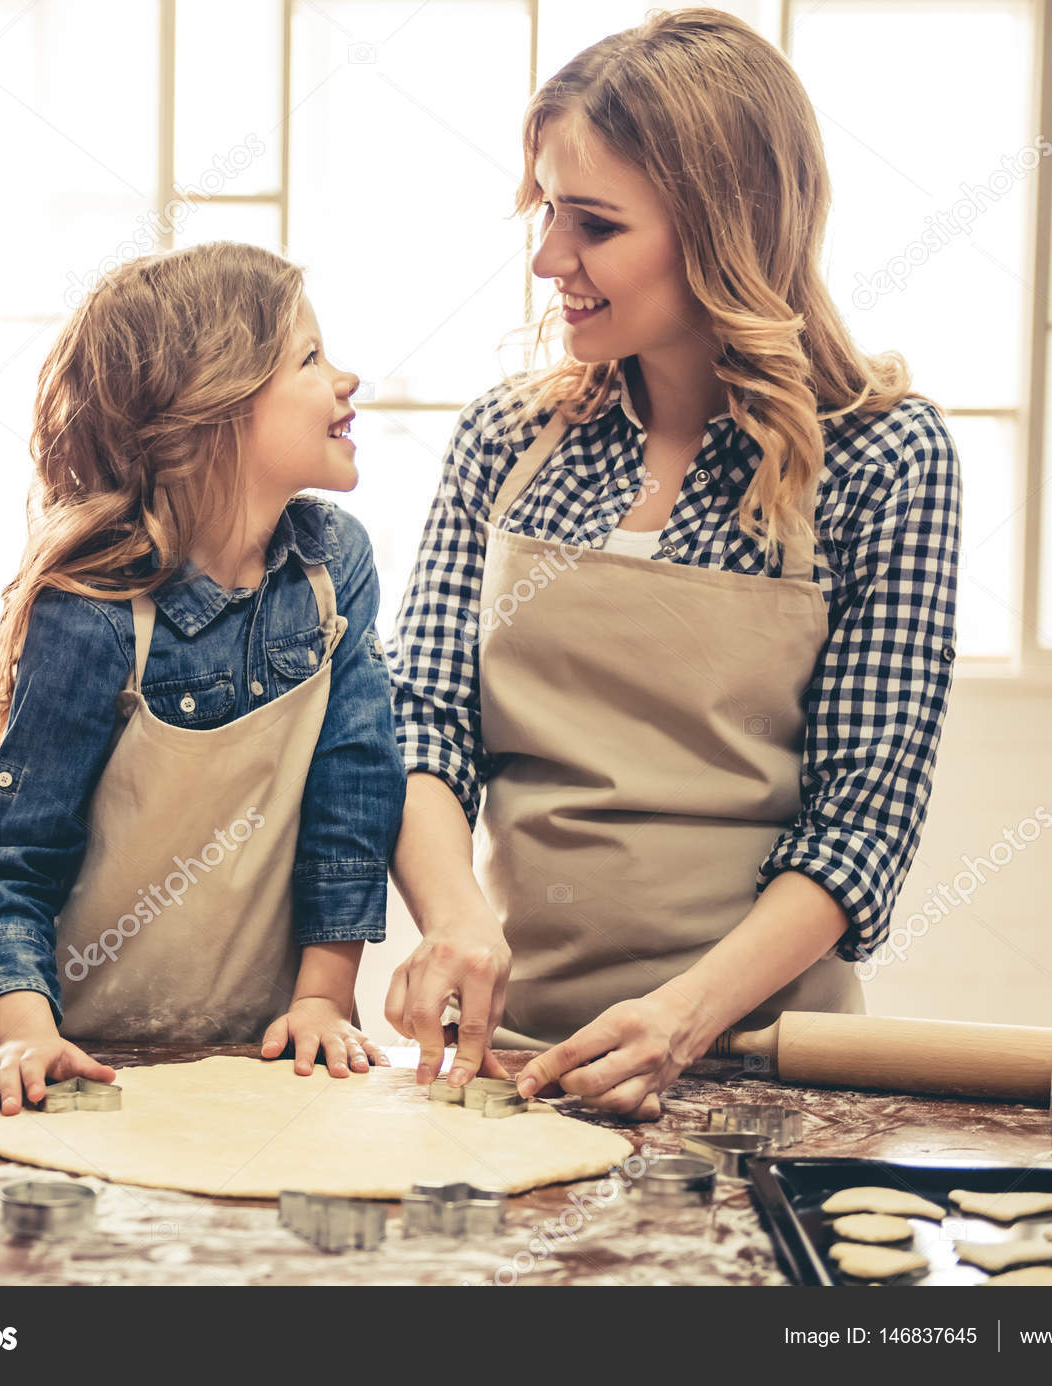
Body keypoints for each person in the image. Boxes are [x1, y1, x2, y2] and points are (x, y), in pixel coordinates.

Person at [386, 9, 962, 1119]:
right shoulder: (506, 439)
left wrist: (684, 1018)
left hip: (759, 1059)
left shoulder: (886, 460)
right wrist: (455, 918)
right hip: (511, 1056)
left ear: (722, 227)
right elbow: (423, 716)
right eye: (547, 211)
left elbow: (864, 817)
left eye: (594, 224)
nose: (551, 257)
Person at [0, 241, 406, 1115]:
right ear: (212, 413)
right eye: (309, 358)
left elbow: (354, 795)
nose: (347, 380)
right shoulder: (94, 613)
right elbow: (5, 861)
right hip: (96, 1061)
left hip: (269, 1061)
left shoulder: (335, 566)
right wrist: (26, 1036)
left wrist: (320, 1000)